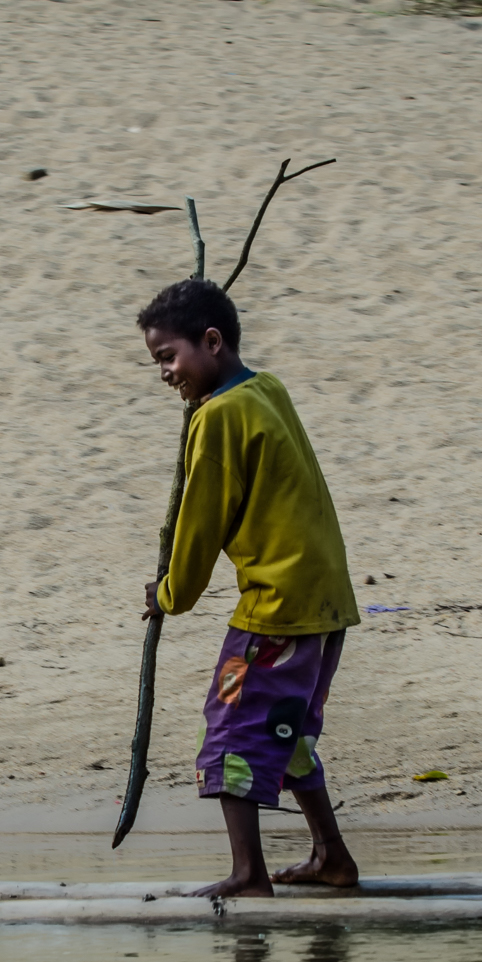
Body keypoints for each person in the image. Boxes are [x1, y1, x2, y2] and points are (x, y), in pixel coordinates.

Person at [137, 278, 361, 898]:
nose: (164, 374)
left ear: (212, 342)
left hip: (277, 609)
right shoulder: (266, 388)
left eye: (168, 357)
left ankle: (247, 874)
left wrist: (168, 594)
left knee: (232, 725)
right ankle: (332, 859)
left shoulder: (218, 418)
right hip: (325, 600)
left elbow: (200, 523)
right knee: (285, 731)